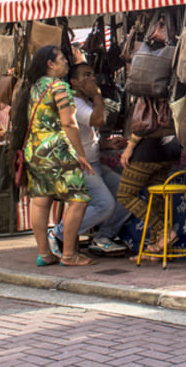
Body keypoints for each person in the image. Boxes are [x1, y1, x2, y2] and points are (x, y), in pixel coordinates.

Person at [10, 45, 94, 266]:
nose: (66, 63)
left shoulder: (33, 87)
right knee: (78, 199)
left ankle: (45, 254)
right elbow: (68, 122)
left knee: (40, 201)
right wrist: (80, 153)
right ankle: (69, 254)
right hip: (56, 150)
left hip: (34, 149)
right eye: (62, 59)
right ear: (50, 64)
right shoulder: (59, 87)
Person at [47, 62, 129, 257]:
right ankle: (58, 233)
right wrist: (97, 94)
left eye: (92, 75)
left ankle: (104, 236)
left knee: (127, 194)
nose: (91, 79)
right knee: (105, 204)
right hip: (81, 165)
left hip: (93, 162)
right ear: (74, 82)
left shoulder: (86, 102)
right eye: (85, 76)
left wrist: (104, 145)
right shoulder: (75, 102)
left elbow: (88, 134)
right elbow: (98, 120)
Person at [116, 132, 183, 257]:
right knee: (155, 198)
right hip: (170, 146)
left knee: (125, 195)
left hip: (147, 149)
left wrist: (130, 146)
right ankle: (153, 250)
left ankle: (164, 231)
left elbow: (143, 125)